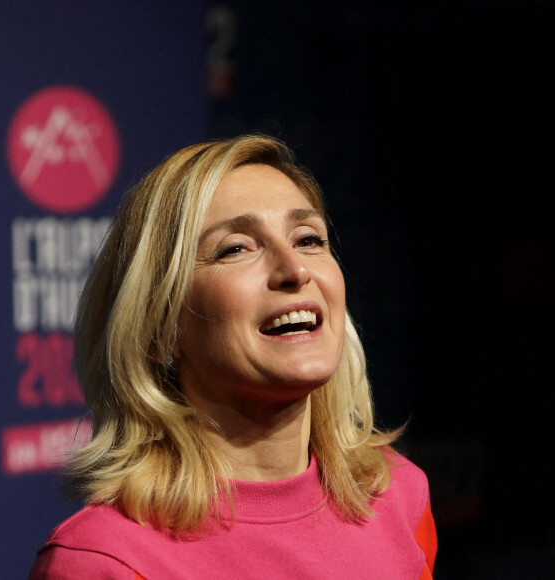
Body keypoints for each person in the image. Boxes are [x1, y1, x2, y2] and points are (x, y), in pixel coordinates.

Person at [29, 135, 437, 579]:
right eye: (236, 248)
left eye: (308, 239)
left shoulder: (400, 495)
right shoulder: (105, 560)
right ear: (161, 327)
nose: (295, 269)